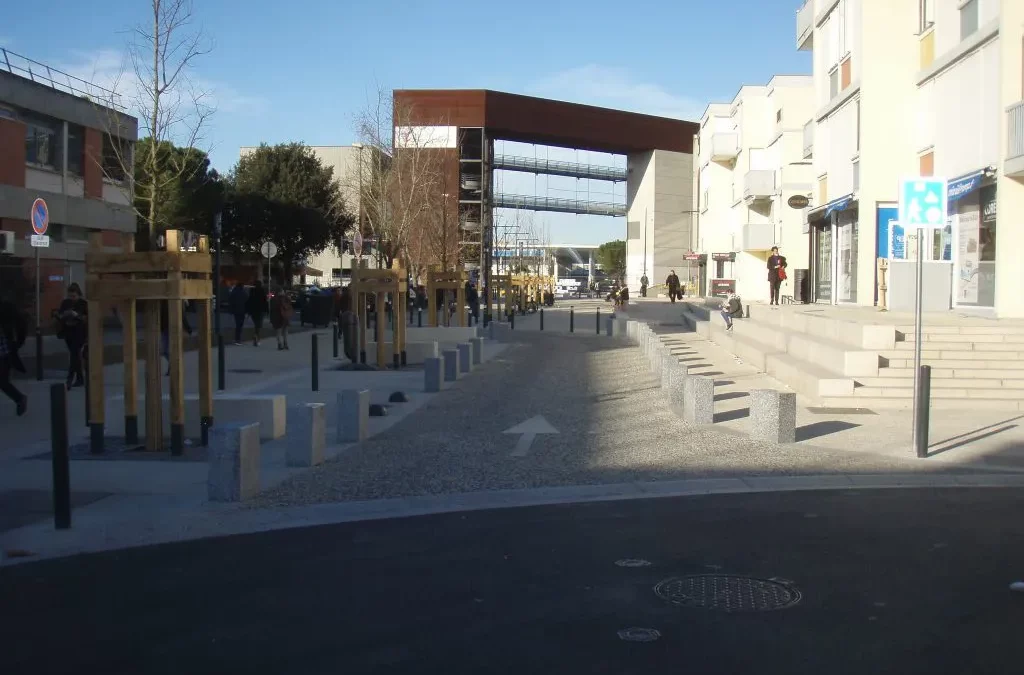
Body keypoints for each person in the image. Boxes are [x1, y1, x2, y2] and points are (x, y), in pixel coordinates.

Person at [0, 292, 28, 416]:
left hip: (4, 350)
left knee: (2, 381)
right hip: (6, 348)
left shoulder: (6, 308)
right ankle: (19, 398)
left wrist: (19, 342)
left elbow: (21, 322)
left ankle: (20, 398)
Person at [57, 283, 89, 389]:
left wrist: (77, 315)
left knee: (75, 353)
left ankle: (70, 378)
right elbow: (60, 315)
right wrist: (64, 315)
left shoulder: (83, 303)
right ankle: (80, 378)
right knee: (74, 354)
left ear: (78, 295)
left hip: (80, 332)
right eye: (70, 296)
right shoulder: (65, 303)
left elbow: (87, 318)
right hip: (68, 331)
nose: (72, 298)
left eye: (74, 296)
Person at [160, 300, 193, 375]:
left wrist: (188, 329)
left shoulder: (176, 302)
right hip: (165, 328)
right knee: (165, 350)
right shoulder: (164, 302)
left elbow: (182, 316)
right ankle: (174, 365)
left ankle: (173, 366)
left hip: (171, 328)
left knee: (167, 350)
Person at [269, 285, 294, 350]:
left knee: (278, 331)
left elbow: (271, 309)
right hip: (285, 316)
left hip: (277, 316)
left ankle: (280, 344)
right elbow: (290, 305)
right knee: (285, 330)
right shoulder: (285, 298)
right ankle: (285, 343)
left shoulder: (274, 299)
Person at [246, 280, 269, 346]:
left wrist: (248, 310)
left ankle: (256, 336)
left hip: (253, 310)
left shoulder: (252, 291)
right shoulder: (262, 291)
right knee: (259, 324)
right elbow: (265, 301)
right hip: (260, 310)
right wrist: (267, 310)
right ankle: (257, 336)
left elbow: (249, 300)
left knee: (256, 323)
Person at [229, 281, 248, 345]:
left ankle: (237, 339)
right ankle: (238, 339)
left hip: (236, 311)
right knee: (240, 325)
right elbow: (247, 302)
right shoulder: (244, 293)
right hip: (242, 311)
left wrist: (231, 310)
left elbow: (231, 301)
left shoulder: (233, 292)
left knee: (238, 324)